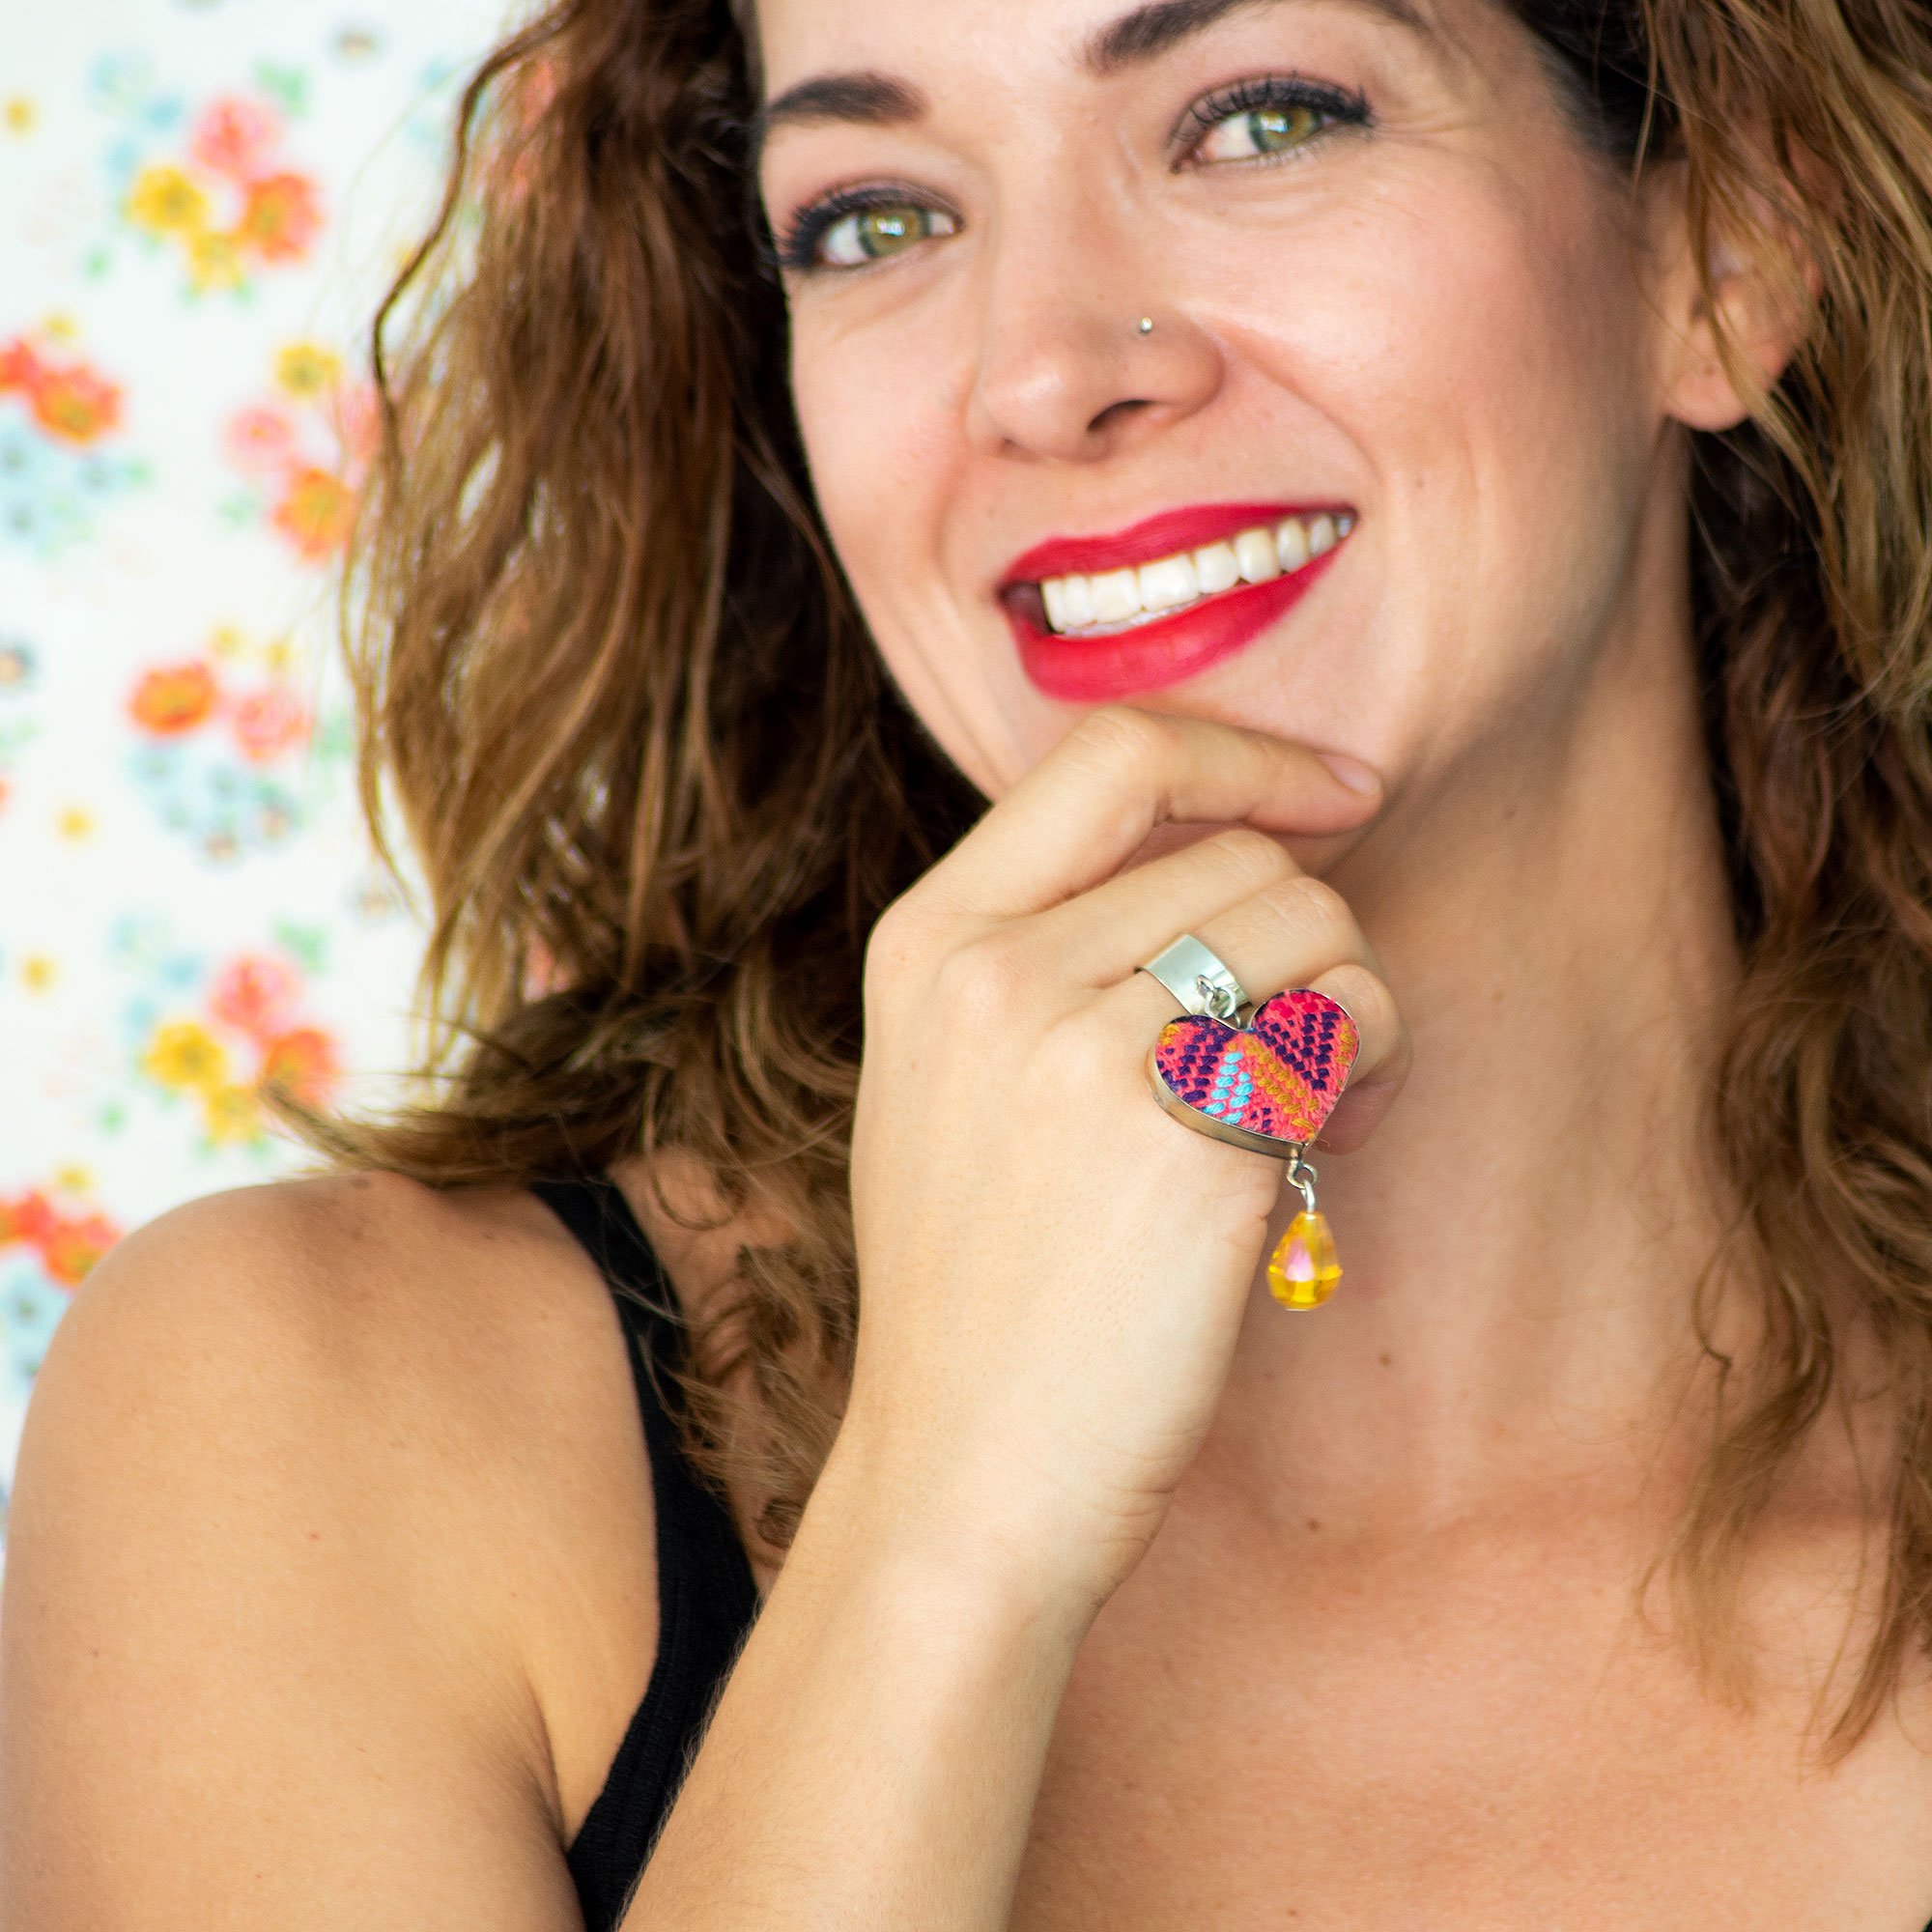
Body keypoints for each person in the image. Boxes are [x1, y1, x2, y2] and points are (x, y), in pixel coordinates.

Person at [6, 0, 1932, 1920]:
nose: (1041, 367)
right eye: (876, 216)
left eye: (1258, 119)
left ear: (1727, 240)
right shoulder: (306, 1431)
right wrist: (942, 1538)